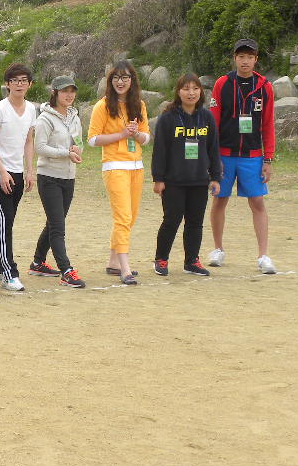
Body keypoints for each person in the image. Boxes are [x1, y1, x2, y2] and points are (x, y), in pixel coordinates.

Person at [207, 39, 277, 274]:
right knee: (219, 200)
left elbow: (268, 124)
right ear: (234, 58)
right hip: (224, 156)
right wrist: (213, 158)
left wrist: (268, 159)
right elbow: (213, 123)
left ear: (256, 59)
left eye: (249, 57)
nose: (245, 61)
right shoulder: (222, 84)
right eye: (241, 57)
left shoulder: (265, 87)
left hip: (252, 156)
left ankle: (263, 255)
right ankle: (218, 249)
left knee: (257, 202)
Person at [151, 74, 222, 277]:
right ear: (178, 92)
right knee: (171, 221)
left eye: (195, 88)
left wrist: (215, 177)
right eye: (186, 89)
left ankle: (192, 261)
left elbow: (213, 149)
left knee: (195, 223)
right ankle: (161, 259)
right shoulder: (168, 118)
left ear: (201, 92)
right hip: (173, 181)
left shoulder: (206, 117)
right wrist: (158, 179)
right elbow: (160, 151)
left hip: (199, 180)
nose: (191, 93)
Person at [88, 60, 150, 286]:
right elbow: (93, 139)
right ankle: (125, 268)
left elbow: (146, 137)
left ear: (132, 80)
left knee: (130, 217)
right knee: (122, 217)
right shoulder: (102, 106)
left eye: (125, 77)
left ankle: (114, 262)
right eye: (116, 77)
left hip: (136, 166)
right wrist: (122, 135)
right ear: (110, 81)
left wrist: (135, 134)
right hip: (114, 166)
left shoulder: (139, 105)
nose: (120, 82)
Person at [0, 62, 38, 291]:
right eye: (14, 80)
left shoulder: (32, 109)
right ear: (7, 84)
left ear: (30, 84)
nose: (19, 84)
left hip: (17, 170)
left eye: (23, 80)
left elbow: (28, 141)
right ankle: (9, 273)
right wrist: (3, 172)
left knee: (6, 219)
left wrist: (30, 170)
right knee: (5, 220)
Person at [31, 75, 85, 287]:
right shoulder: (45, 119)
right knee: (58, 227)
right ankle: (66, 270)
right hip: (49, 177)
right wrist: (65, 153)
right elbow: (40, 148)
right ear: (54, 93)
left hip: (68, 177)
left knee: (54, 222)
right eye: (64, 91)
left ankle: (37, 262)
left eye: (72, 91)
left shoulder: (75, 117)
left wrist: (77, 150)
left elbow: (79, 142)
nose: (69, 95)